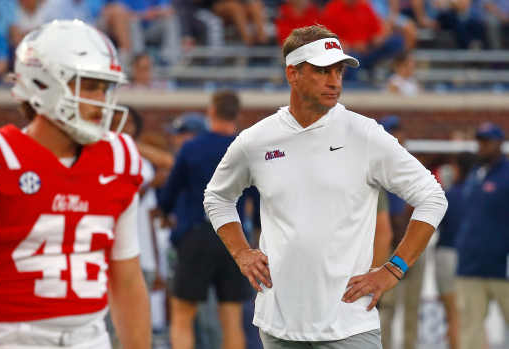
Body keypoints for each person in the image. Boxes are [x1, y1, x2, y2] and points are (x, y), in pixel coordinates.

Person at [204, 25, 448, 348]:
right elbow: (217, 197)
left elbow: (432, 197)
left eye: (339, 71)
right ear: (293, 74)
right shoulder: (256, 140)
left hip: (350, 326)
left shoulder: (365, 135)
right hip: (278, 325)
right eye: (322, 71)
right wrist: (241, 252)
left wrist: (394, 268)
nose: (334, 81)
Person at [0, 20, 150, 349]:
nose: (101, 100)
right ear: (44, 84)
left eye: (106, 88)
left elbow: (126, 279)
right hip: (12, 338)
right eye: (90, 86)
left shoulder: (119, 159)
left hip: (91, 337)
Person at [159, 90, 251, 349]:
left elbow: (170, 192)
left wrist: (165, 212)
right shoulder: (243, 149)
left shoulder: (191, 148)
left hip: (197, 233)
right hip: (235, 237)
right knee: (231, 318)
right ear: (237, 113)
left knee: (182, 315)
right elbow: (260, 194)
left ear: (211, 111)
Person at [454, 122, 509, 349]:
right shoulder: (475, 174)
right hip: (470, 265)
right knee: (470, 328)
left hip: (502, 267)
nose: (482, 146)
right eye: (480, 141)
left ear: (499, 143)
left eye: (487, 141)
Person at [376, 115, 427, 349]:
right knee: (385, 305)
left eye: (399, 131)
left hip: (414, 240)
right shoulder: (373, 167)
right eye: (391, 132)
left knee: (412, 305)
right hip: (387, 245)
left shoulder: (413, 165)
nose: (397, 136)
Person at [436, 151, 476, 349]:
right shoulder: (478, 194)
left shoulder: (450, 195)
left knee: (453, 314)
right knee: (470, 315)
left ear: (458, 168)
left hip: (448, 254)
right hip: (471, 257)